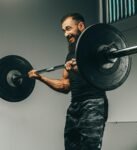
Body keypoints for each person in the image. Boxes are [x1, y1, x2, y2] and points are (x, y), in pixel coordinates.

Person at [28, 13, 108, 150]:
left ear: (81, 26)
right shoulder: (70, 55)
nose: (66, 34)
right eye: (64, 31)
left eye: (68, 28)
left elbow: (105, 73)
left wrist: (80, 68)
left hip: (93, 103)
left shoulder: (96, 48)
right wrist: (40, 78)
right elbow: (65, 86)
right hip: (75, 106)